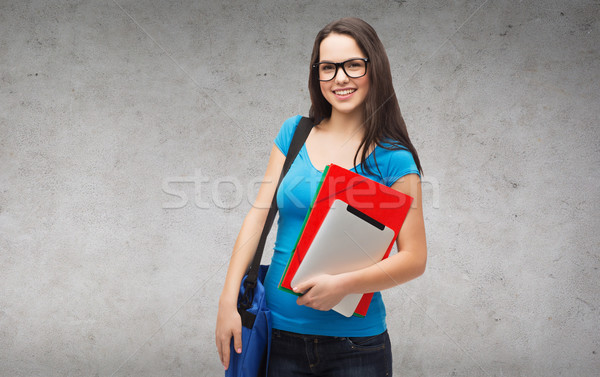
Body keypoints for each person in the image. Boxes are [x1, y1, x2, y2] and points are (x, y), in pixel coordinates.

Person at [216, 17, 427, 376]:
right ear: (317, 74)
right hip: (277, 335)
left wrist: (343, 285)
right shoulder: (294, 133)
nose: (340, 78)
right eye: (328, 67)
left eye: (353, 65)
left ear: (374, 69)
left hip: (355, 348)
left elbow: (414, 258)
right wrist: (227, 299)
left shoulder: (392, 158)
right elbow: (257, 215)